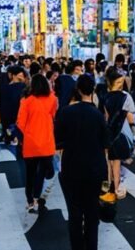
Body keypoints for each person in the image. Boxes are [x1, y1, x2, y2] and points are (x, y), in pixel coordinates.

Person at [55, 74, 109, 250]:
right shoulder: (98, 115)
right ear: (92, 90)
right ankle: (91, 246)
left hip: (71, 167)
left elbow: (58, 140)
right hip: (94, 168)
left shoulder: (65, 112)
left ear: (77, 89)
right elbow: (105, 145)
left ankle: (77, 247)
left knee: (75, 213)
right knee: (92, 212)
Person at [17, 73, 58, 213]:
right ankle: (38, 195)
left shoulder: (26, 101)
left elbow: (20, 123)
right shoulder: (52, 99)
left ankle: (30, 201)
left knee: (30, 174)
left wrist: (29, 131)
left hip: (31, 144)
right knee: (47, 171)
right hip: (47, 142)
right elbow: (53, 115)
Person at [102, 67, 135, 195]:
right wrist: (134, 130)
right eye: (119, 83)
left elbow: (105, 117)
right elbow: (130, 115)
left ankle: (109, 185)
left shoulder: (105, 97)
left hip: (108, 132)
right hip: (120, 132)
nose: (121, 85)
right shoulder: (125, 97)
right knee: (116, 162)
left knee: (108, 161)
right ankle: (116, 187)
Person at [0, 66, 27, 145]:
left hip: (7, 115)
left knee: (9, 137)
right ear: (14, 75)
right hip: (15, 114)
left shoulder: (5, 87)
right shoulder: (23, 87)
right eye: (20, 74)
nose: (21, 76)